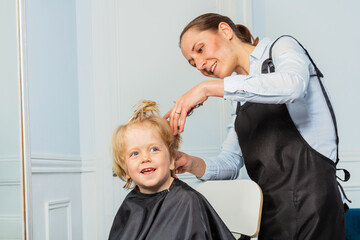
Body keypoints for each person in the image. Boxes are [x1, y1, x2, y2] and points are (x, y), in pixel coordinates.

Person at [164, 13, 349, 240]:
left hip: (314, 208)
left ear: (225, 30)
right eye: (192, 63)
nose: (200, 65)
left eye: (200, 49)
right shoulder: (240, 99)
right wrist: (188, 163)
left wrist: (206, 88)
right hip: (271, 214)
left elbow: (293, 86)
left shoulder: (282, 48)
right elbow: (230, 163)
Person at [109, 100, 235, 240]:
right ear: (125, 170)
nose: (145, 158)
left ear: (172, 160)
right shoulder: (130, 205)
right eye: (135, 154)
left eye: (154, 149)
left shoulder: (186, 201)